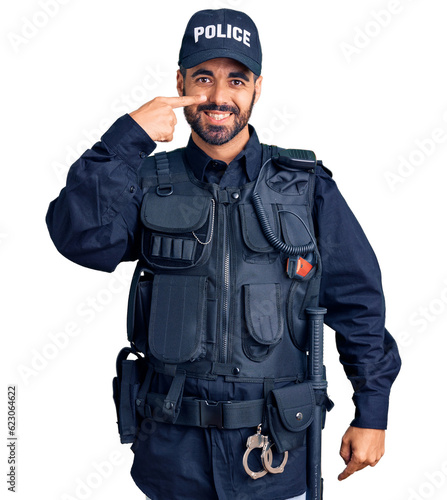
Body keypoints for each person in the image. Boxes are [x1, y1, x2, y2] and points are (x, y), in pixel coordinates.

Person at [46, 8, 401, 500]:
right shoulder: (149, 180)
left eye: (236, 80)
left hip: (277, 454)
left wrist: (373, 412)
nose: (218, 97)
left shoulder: (305, 187)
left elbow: (358, 302)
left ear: (257, 87)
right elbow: (79, 238)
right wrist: (125, 139)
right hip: (173, 455)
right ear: (180, 81)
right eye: (203, 78)